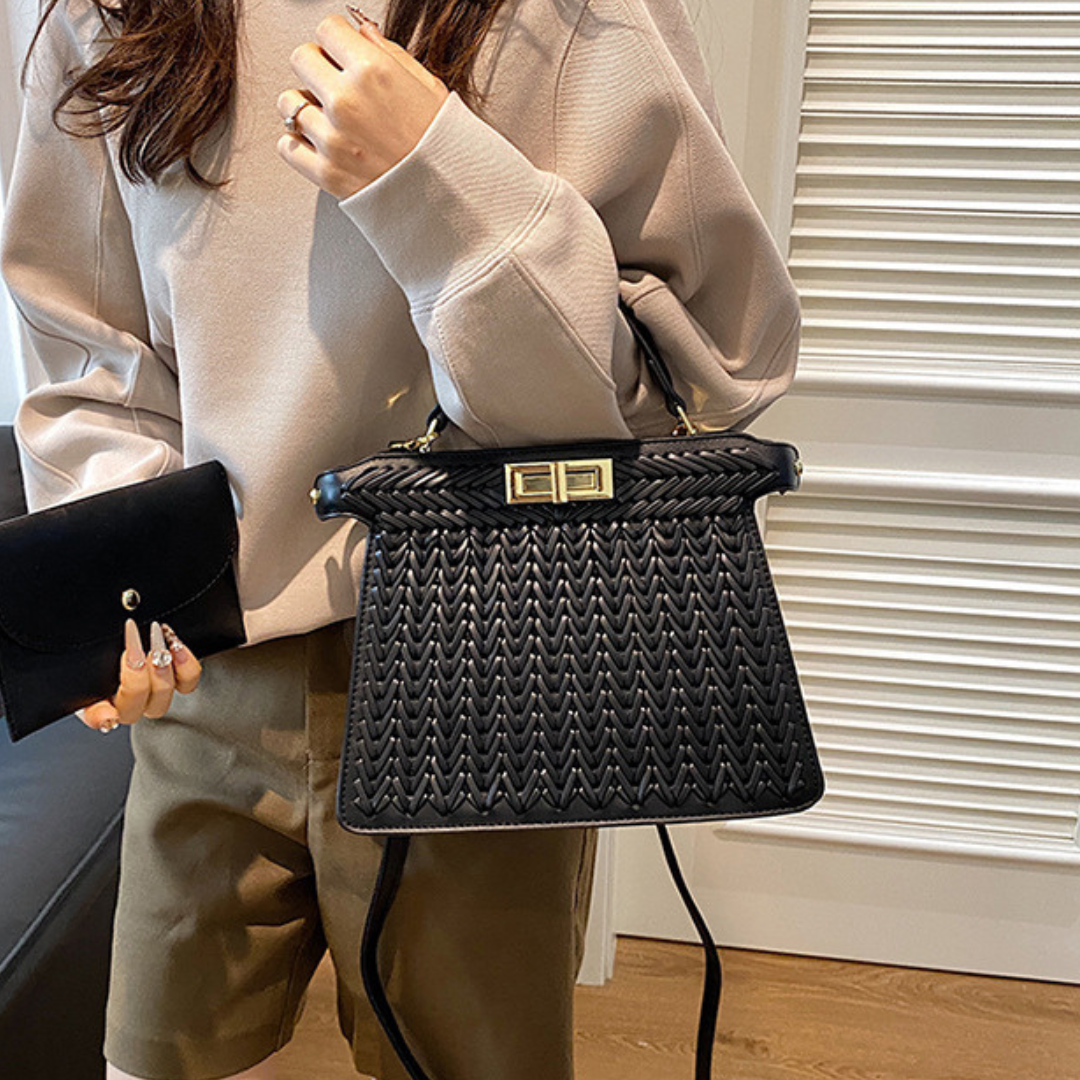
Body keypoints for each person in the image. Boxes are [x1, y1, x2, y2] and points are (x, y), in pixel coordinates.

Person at [0, 0, 803, 1077]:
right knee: (152, 1059)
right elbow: (89, 343)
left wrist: (437, 179)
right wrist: (123, 586)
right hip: (214, 666)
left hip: (496, 661)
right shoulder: (112, 15)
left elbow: (709, 361)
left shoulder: (571, 17)